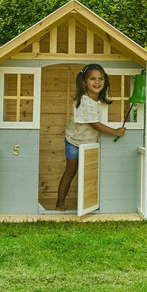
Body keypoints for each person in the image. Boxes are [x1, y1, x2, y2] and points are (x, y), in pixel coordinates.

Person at [54, 64, 126, 212]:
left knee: (91, 173)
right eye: (92, 79)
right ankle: (59, 203)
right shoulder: (84, 101)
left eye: (100, 78)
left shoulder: (99, 99)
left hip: (90, 143)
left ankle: (89, 204)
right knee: (70, 171)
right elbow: (95, 124)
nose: (97, 82)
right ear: (84, 82)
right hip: (74, 142)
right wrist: (115, 132)